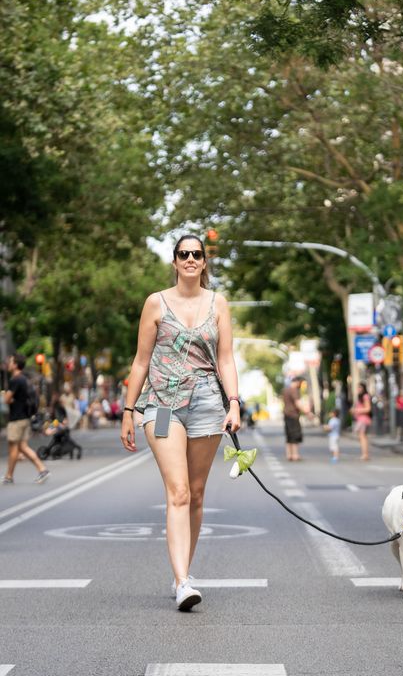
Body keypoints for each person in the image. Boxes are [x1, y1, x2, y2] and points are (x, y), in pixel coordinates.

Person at [120, 234, 240, 612]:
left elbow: (226, 359)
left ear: (204, 262)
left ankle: (180, 574)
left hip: (207, 401)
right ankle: (184, 582)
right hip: (162, 403)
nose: (190, 259)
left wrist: (234, 404)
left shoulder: (218, 303)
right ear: (174, 261)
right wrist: (128, 410)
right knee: (179, 491)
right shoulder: (156, 302)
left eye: (196, 254)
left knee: (197, 493)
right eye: (183, 254)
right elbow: (141, 361)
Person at [2, 353, 49, 485]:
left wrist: (9, 398)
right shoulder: (24, 379)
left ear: (16, 365)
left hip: (16, 419)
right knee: (22, 447)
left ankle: (9, 476)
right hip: (25, 418)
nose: (9, 364)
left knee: (14, 448)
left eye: (11, 361)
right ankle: (41, 470)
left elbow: (6, 399)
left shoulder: (15, 380)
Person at [282, 375, 305, 461]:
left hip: (286, 414)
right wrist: (307, 412)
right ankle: (295, 455)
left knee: (288, 435)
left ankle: (289, 455)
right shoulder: (294, 390)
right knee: (295, 435)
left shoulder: (285, 390)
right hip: (293, 415)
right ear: (298, 382)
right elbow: (297, 403)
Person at [351, 382, 372, 461]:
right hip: (360, 419)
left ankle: (365, 454)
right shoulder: (360, 397)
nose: (358, 389)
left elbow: (368, 408)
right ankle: (364, 454)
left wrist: (356, 410)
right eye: (357, 387)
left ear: (363, 388)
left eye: (359, 387)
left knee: (362, 437)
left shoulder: (365, 396)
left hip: (363, 419)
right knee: (361, 437)